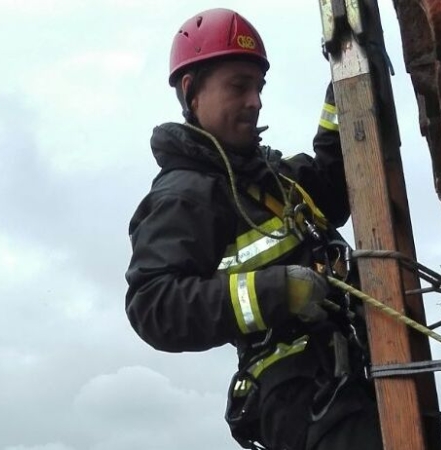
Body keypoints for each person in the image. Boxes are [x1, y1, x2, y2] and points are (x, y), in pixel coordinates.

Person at [124, 8, 383, 450]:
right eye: (238, 86)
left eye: (258, 87)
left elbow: (336, 189)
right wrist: (277, 292)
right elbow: (153, 305)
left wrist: (347, 86)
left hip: (349, 374)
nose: (255, 101)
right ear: (192, 92)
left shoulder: (270, 179)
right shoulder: (185, 194)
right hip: (300, 398)